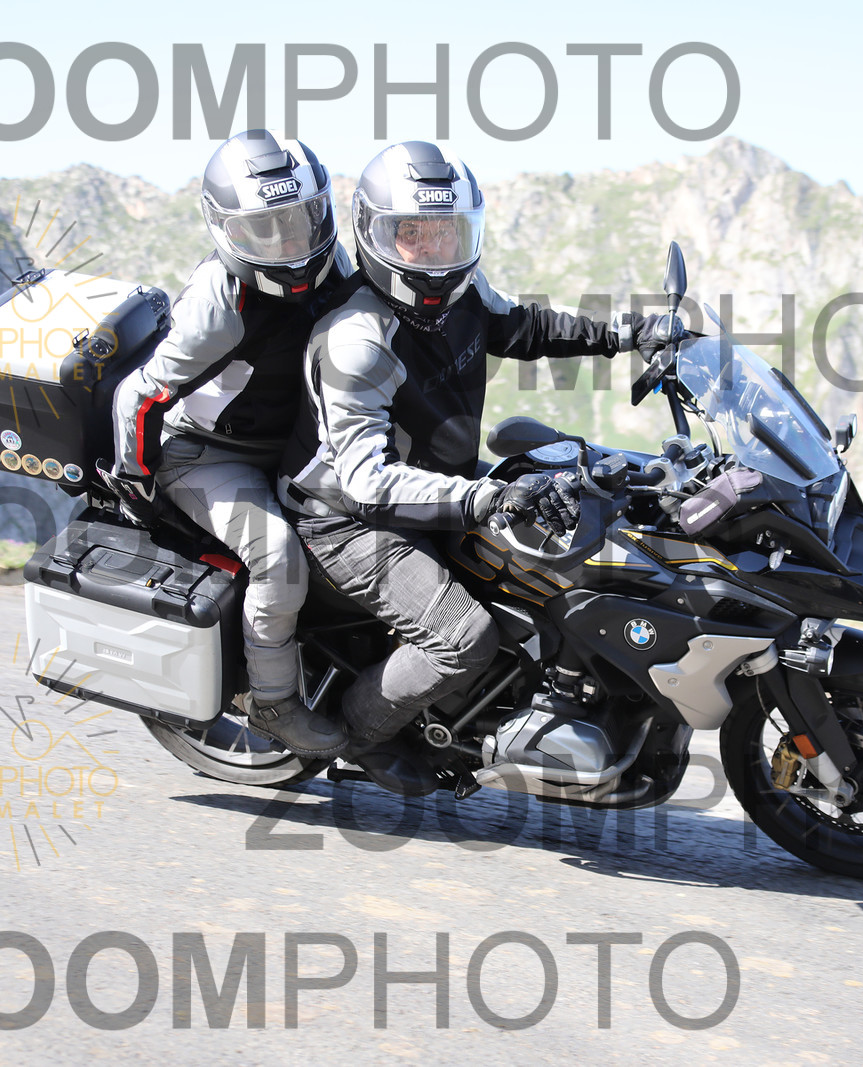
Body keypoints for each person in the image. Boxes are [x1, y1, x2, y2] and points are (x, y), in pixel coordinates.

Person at [278, 140, 680, 794]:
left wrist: (626, 333)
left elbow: (526, 327)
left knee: (573, 544)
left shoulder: (462, 293)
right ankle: (360, 734)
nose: (435, 250)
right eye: (413, 235)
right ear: (374, 233)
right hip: (348, 521)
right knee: (463, 636)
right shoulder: (358, 339)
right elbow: (367, 482)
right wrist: (488, 498)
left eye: (448, 232)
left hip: (435, 487)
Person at [99, 129, 351, 759]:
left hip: (291, 441)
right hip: (209, 453)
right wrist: (137, 485)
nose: (289, 244)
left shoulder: (336, 265)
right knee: (278, 554)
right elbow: (140, 396)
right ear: (226, 229)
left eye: (299, 220)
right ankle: (273, 702)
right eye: (263, 231)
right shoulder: (221, 300)